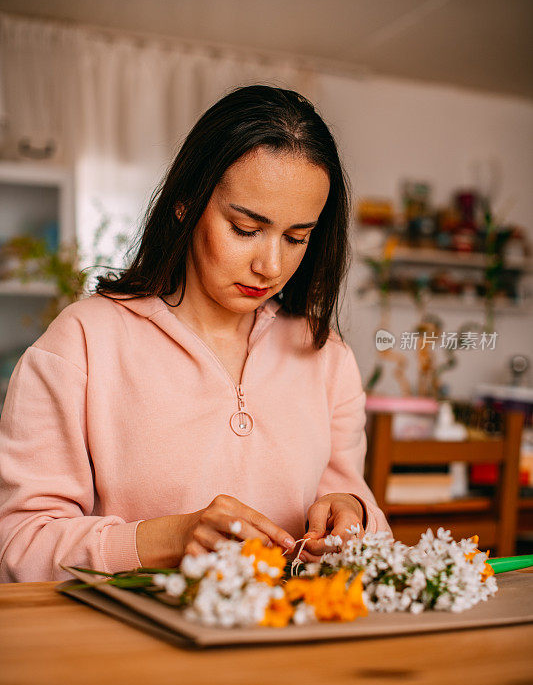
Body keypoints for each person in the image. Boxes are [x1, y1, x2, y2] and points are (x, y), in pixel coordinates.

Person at [0, 84, 390, 583]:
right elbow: (19, 548)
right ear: (186, 203)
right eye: (245, 229)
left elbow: (361, 524)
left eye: (297, 238)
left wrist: (353, 515)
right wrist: (164, 540)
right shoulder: (82, 343)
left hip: (289, 647)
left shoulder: (325, 356)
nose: (270, 265)